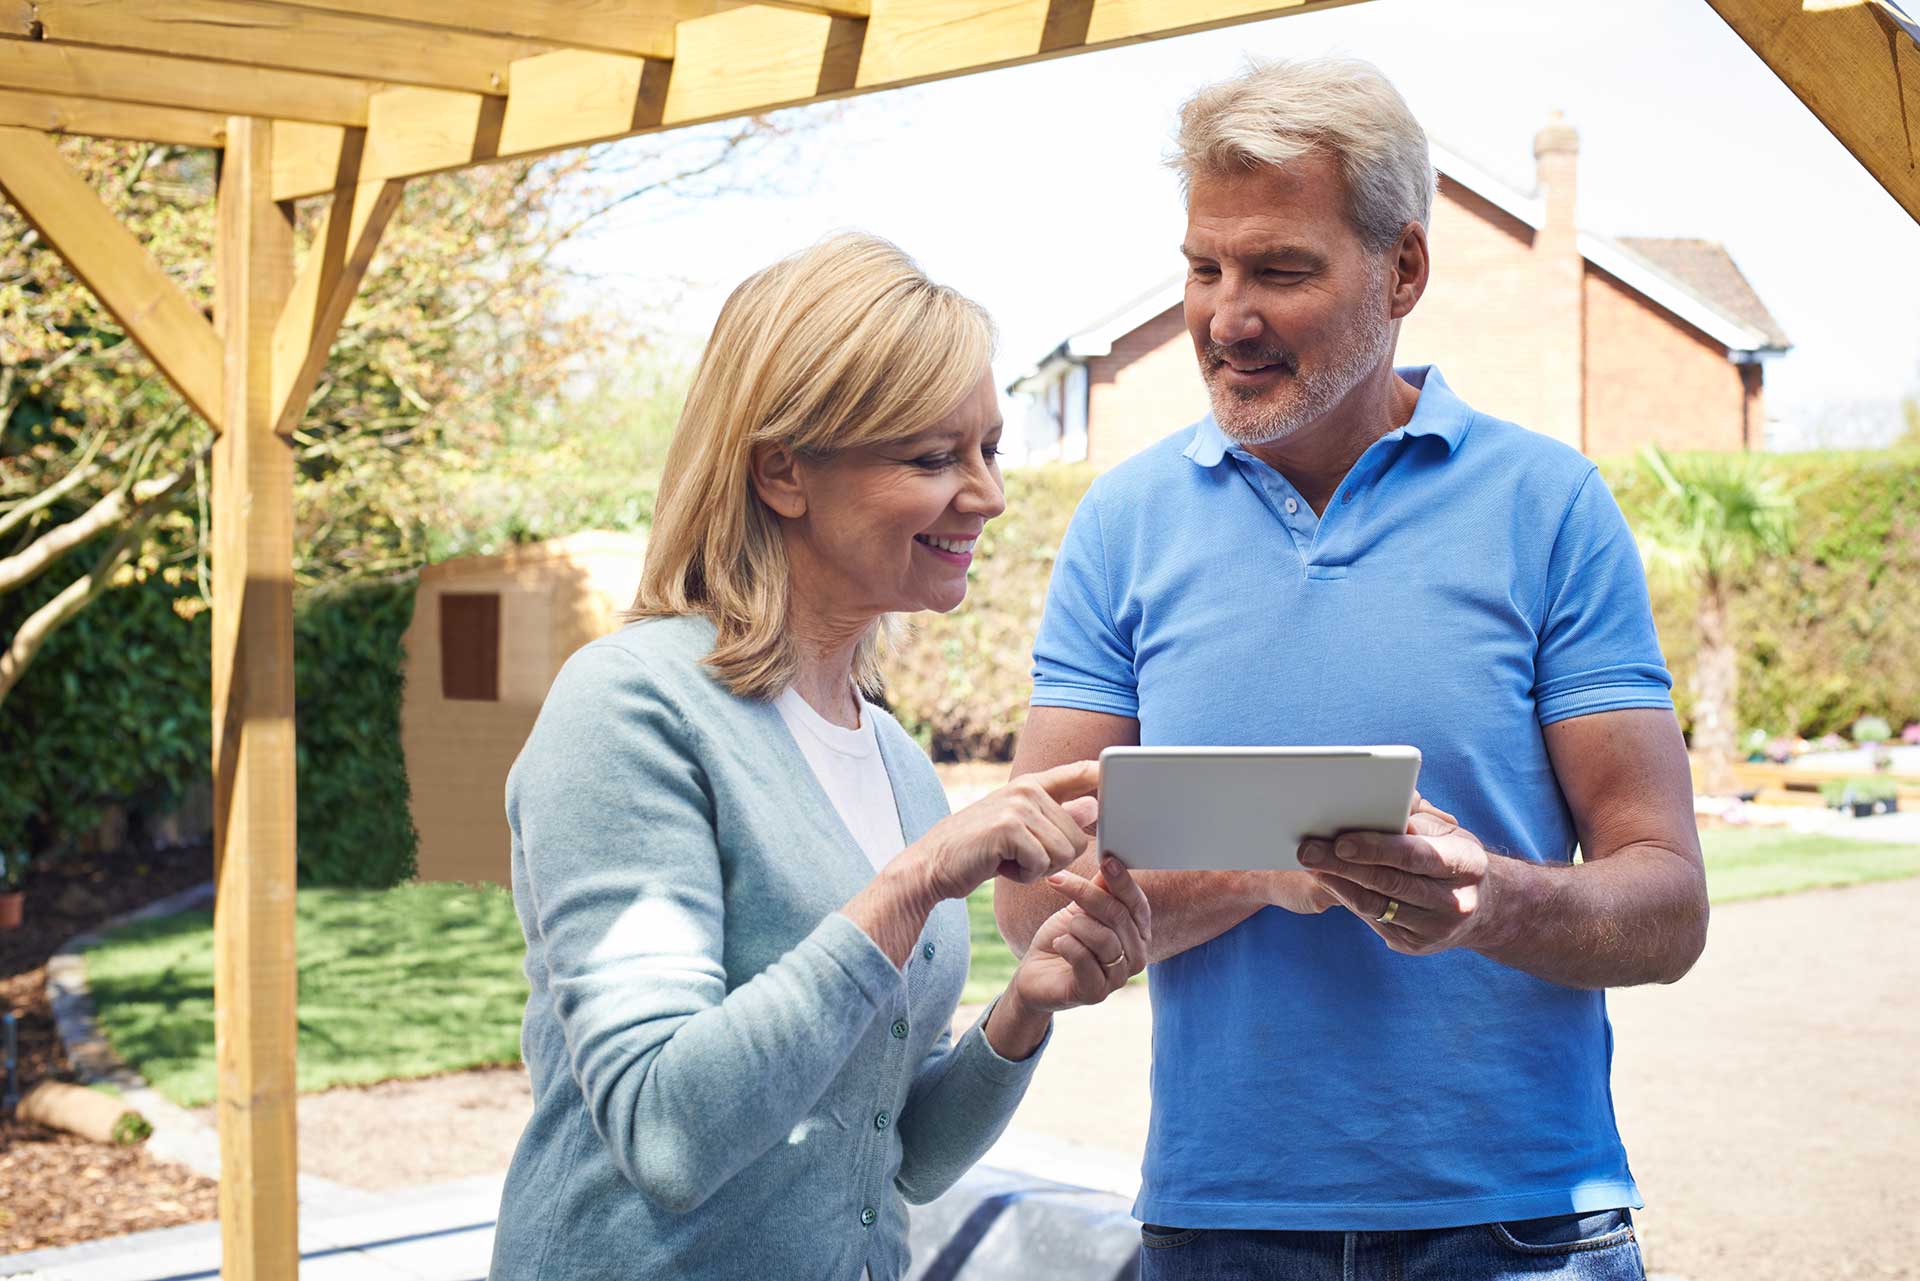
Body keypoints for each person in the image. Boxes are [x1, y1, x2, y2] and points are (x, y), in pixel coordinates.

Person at [995, 57, 1707, 1280]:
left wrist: (1494, 900)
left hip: (1524, 1229)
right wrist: (1267, 876)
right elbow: (1030, 904)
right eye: (1204, 269)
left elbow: (1667, 903)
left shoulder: (1548, 507)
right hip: (1220, 1226)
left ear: (1405, 271)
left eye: (1280, 269)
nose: (1227, 317)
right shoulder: (1126, 522)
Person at [489, 233, 1152, 1281]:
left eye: (990, 450)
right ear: (783, 473)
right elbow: (667, 1131)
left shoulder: (892, 757)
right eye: (935, 458)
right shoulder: (629, 709)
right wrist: (916, 881)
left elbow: (898, 1159)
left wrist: (1025, 1007)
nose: (986, 496)